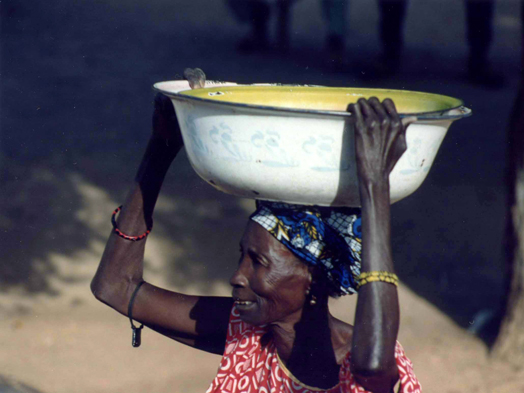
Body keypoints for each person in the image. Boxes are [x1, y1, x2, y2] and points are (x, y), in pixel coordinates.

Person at [91, 71, 422, 393]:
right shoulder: (246, 336)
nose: (237, 276)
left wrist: (375, 185)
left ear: (314, 280)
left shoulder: (359, 368)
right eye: (242, 257)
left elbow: (374, 363)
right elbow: (115, 286)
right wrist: (161, 149)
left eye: (258, 262)